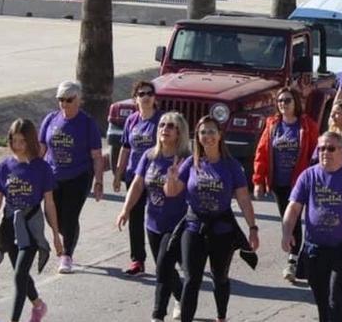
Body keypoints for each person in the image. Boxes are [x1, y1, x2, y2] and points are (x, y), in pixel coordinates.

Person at [163, 116, 259, 322]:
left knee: (220, 277)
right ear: (197, 137)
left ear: (220, 135)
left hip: (222, 230)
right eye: (203, 132)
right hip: (193, 226)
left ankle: (221, 316)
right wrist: (171, 178)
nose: (207, 136)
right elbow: (172, 192)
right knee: (191, 279)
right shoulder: (191, 163)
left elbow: (243, 198)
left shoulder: (231, 165)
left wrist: (253, 228)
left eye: (211, 131)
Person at [282, 132, 342, 322]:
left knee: (336, 300)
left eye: (331, 148)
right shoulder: (308, 176)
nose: (325, 152)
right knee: (322, 301)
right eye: (322, 148)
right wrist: (286, 232)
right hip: (315, 250)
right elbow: (293, 208)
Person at [0, 119, 62, 322]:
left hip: (31, 227)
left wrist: (55, 235)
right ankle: (38, 306)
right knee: (22, 275)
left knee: (19, 276)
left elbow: (49, 203)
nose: (17, 145)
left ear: (31, 141)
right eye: (14, 140)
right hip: (10, 226)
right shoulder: (4, 167)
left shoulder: (42, 168)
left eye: (22, 141)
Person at [116, 112, 190, 322]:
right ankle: (183, 298)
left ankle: (158, 315)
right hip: (153, 223)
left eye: (171, 126)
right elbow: (138, 184)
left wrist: (174, 176)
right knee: (165, 268)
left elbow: (180, 191)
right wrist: (126, 209)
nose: (164, 129)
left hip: (177, 223)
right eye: (162, 125)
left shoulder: (185, 160)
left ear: (179, 132)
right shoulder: (150, 155)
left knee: (161, 267)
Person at [252, 87, 319, 282]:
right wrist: (258, 181)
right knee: (289, 221)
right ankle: (294, 258)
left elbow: (316, 153)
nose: (283, 104)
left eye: (287, 100)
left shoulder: (307, 125)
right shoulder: (273, 125)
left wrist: (316, 176)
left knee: (308, 220)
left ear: (296, 102)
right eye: (280, 101)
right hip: (280, 183)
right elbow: (261, 153)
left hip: (302, 182)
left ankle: (296, 259)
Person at [38, 80, 104, 274]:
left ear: (78, 100)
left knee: (70, 213)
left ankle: (66, 255)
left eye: (69, 100)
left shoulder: (87, 123)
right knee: (51, 217)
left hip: (79, 175)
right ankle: (70, 235)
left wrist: (99, 181)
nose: (64, 104)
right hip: (53, 175)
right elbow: (42, 148)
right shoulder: (51, 119)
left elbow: (97, 156)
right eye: (61, 100)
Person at [113, 80, 162, 276]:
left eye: (149, 93)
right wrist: (118, 174)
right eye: (142, 94)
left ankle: (168, 256)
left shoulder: (161, 120)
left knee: (158, 216)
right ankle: (138, 260)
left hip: (157, 177)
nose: (146, 97)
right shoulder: (131, 121)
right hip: (134, 176)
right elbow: (125, 148)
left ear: (154, 97)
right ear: (136, 99)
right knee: (134, 217)